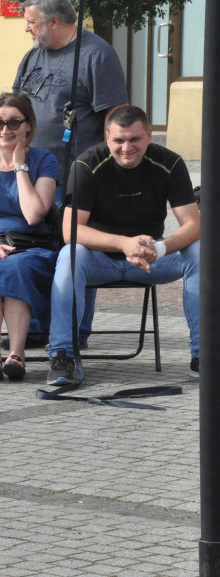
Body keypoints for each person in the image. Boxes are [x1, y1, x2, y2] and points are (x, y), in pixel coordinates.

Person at [46, 105, 200, 385]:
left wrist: (161, 249)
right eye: (118, 140)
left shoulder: (170, 163)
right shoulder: (86, 163)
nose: (126, 147)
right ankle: (63, 356)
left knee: (202, 253)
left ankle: (204, 355)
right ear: (107, 138)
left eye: (134, 139)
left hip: (150, 259)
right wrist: (124, 243)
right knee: (70, 254)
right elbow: (70, 230)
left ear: (149, 136)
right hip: (99, 260)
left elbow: (193, 224)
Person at [11, 0, 129, 348]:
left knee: (73, 251)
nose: (27, 28)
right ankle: (35, 327)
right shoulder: (33, 55)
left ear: (55, 22)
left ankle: (73, 331)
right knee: (34, 250)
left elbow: (117, 116)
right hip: (32, 172)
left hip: (75, 174)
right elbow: (14, 103)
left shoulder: (97, 54)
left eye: (32, 22)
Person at [0, 93, 58, 380]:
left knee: (18, 266)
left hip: (32, 246)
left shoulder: (44, 160)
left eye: (14, 123)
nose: (5, 130)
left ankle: (17, 353)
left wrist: (19, 166)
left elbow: (33, 215)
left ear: (29, 125)